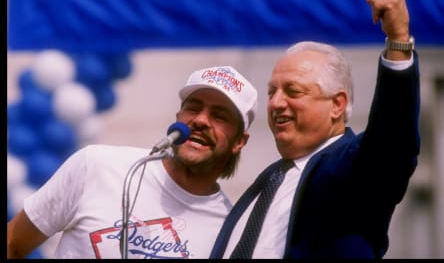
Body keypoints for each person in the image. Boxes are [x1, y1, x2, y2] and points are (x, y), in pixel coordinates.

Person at [209, 0, 421, 259]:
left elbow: (393, 141)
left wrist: (398, 41)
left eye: (293, 92)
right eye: (272, 92)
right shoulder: (272, 180)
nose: (276, 103)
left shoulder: (352, 168)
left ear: (337, 105)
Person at [7, 65, 258, 259]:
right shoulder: (96, 164)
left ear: (239, 141)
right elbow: (13, 243)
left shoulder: (231, 230)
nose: (201, 120)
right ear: (178, 117)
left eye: (219, 116)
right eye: (193, 108)